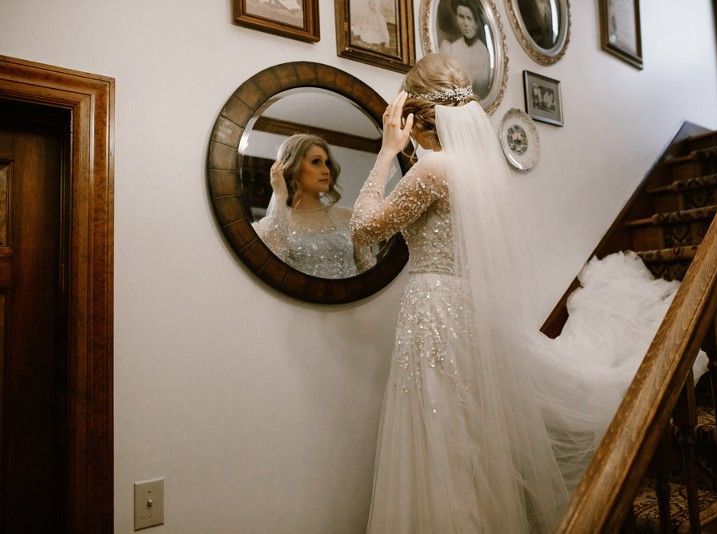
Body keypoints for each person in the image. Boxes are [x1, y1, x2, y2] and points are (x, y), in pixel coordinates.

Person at [351, 53, 690, 532]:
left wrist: (388, 151)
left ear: (414, 117)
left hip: (433, 307)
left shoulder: (431, 172)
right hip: (471, 308)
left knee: (440, 430)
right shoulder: (478, 170)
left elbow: (364, 228)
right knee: (468, 432)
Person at [253, 134, 375, 278]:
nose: (326, 170)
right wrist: (280, 196)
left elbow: (368, 269)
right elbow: (273, 268)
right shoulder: (274, 224)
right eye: (316, 162)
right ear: (292, 167)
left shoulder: (348, 217)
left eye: (327, 163)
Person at [439, 0, 491, 98]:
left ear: (476, 23)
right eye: (461, 17)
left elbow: (482, 88)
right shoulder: (450, 48)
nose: (465, 23)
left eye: (469, 18)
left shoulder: (484, 52)